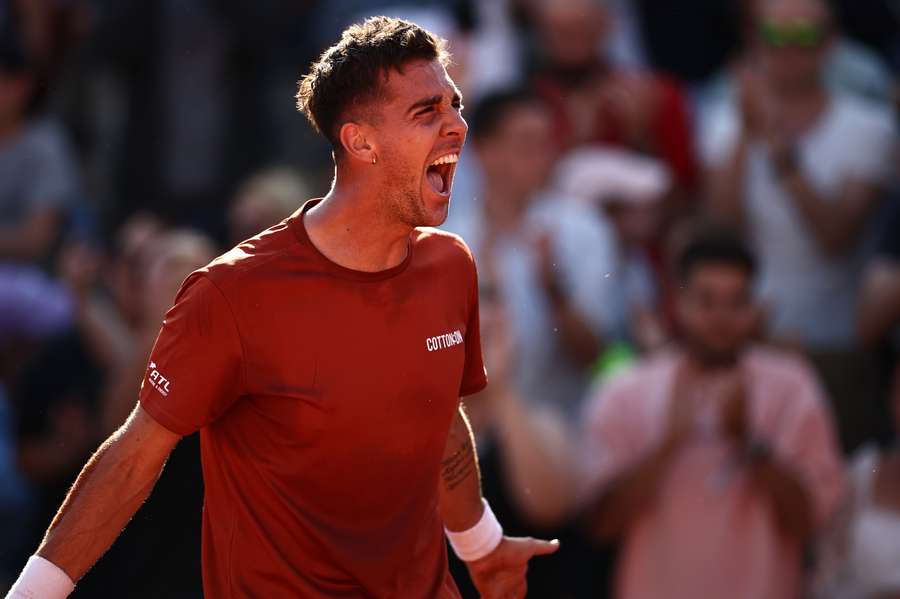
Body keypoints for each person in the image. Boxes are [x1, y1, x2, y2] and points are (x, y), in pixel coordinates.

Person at [7, 17, 556, 599]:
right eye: (428, 112)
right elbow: (133, 459)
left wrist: (481, 545)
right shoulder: (231, 292)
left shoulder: (450, 266)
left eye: (455, 105)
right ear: (361, 141)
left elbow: (436, 415)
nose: (457, 127)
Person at [491, 226, 846, 598]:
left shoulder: (795, 388)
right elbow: (598, 525)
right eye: (707, 301)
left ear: (755, 307)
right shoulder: (626, 390)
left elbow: (812, 522)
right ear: (679, 304)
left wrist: (749, 445)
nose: (721, 318)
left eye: (736, 301)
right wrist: (667, 444)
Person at [701, 0, 896, 448]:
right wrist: (746, 141)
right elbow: (721, 230)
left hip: (836, 347)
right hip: (745, 340)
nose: (789, 50)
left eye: (805, 37)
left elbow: (835, 237)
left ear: (831, 45)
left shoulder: (870, 128)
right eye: (774, 37)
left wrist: (780, 153)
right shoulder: (725, 124)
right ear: (754, 42)